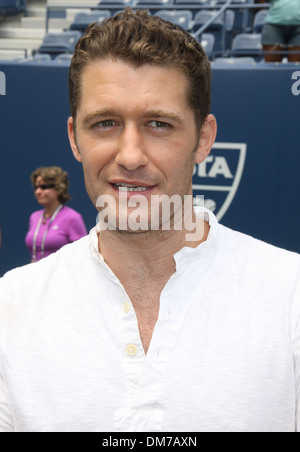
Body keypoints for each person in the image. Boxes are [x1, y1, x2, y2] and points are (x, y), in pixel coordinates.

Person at [0, 8, 299, 432]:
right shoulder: (11, 305)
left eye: (159, 124)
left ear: (204, 139)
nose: (131, 155)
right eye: (105, 123)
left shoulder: (290, 295)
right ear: (74, 138)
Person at [25, 166, 87, 262]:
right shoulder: (34, 217)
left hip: (62, 275)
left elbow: (83, 255)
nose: (38, 192)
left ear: (58, 188)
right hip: (36, 275)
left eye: (44, 187)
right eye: (36, 187)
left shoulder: (72, 217)